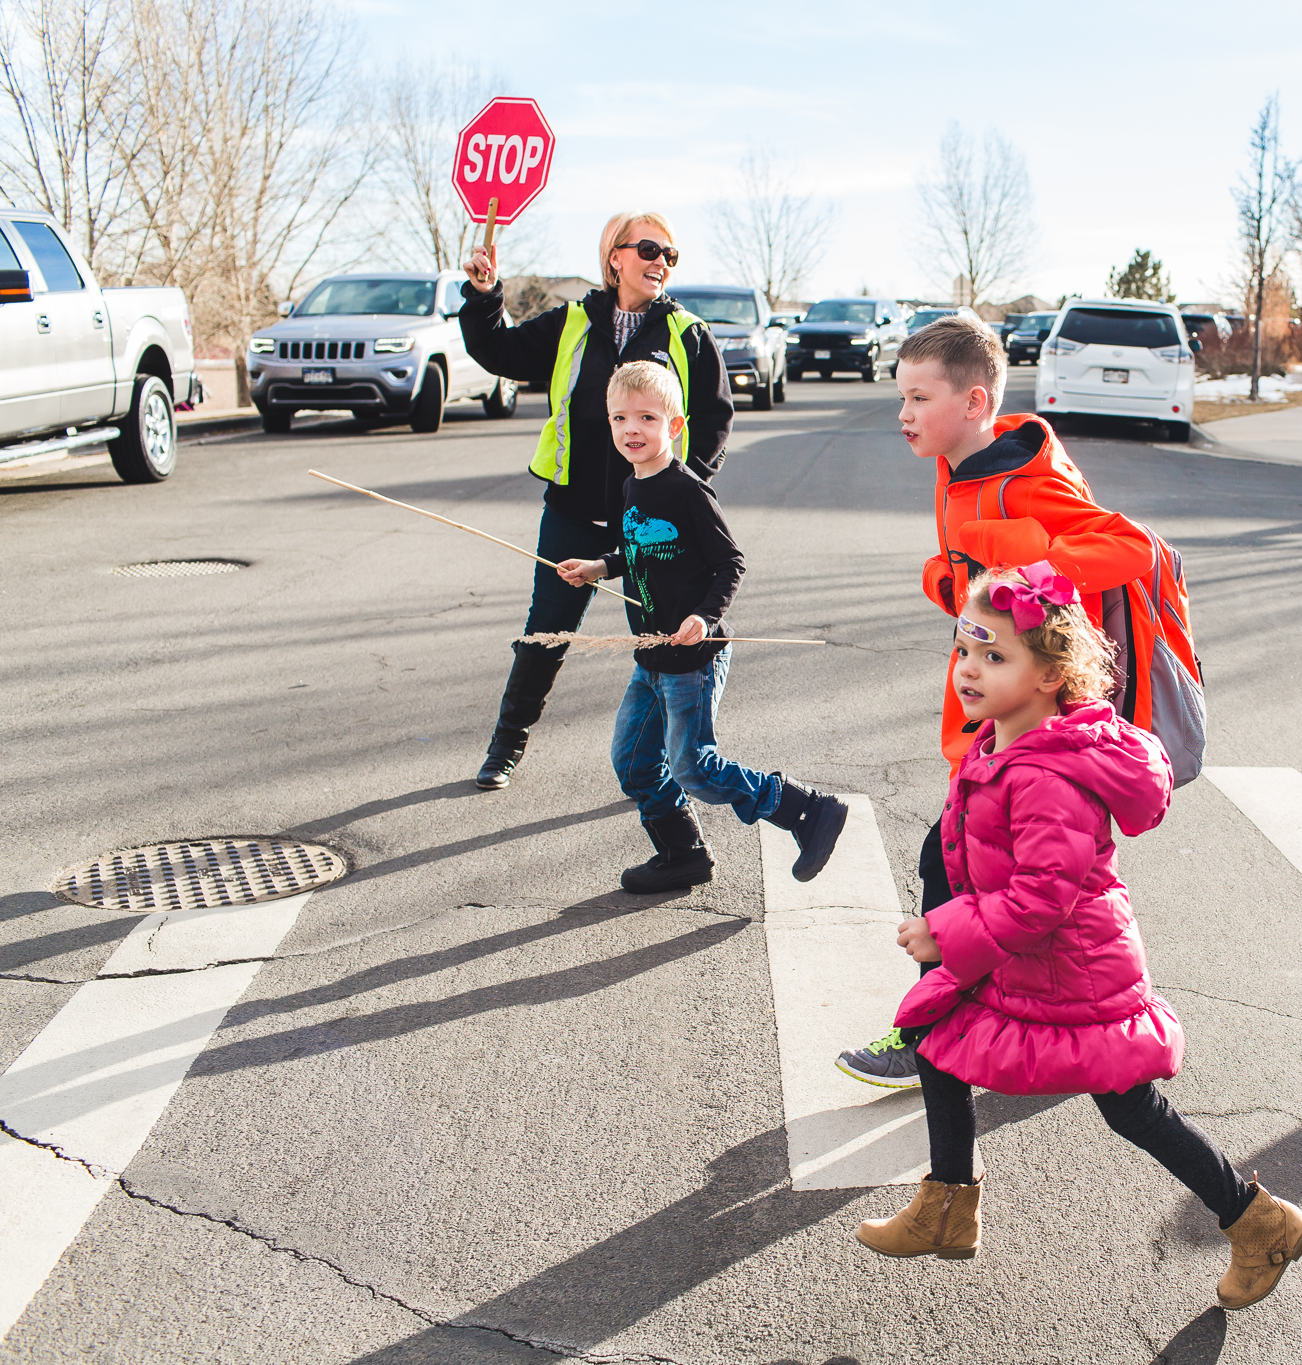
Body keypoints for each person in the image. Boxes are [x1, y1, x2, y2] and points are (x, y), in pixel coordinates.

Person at [852, 564, 1302, 1310]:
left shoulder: (1045, 773)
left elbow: (1043, 898)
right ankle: (948, 1206)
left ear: (1050, 675)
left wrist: (946, 932)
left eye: (994, 655)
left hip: (1070, 967)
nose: (969, 669)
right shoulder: (1004, 739)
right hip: (1026, 957)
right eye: (966, 649)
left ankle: (1259, 1221)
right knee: (936, 1035)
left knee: (1128, 1104)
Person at [833, 315, 1159, 1091]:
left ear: (975, 400)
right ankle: (1082, 1023)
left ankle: (925, 1032)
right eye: (900, 397)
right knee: (1011, 882)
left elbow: (1131, 549)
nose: (903, 414)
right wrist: (952, 581)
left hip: (1036, 723)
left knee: (959, 871)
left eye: (919, 397)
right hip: (991, 717)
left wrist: (1016, 554)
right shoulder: (952, 465)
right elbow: (976, 573)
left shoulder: (1024, 476)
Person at [458, 210, 736, 791]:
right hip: (575, 510)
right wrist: (484, 295)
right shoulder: (574, 322)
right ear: (615, 257)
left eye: (670, 255)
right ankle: (506, 744)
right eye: (649, 250)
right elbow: (501, 352)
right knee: (545, 632)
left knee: (667, 641)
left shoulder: (688, 334)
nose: (661, 262)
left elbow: (714, 417)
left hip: (655, 520)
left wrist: (682, 491)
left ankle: (671, 762)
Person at [553, 362, 845, 893]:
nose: (631, 429)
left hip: (694, 658)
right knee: (635, 764)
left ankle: (804, 809)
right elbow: (638, 546)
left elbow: (730, 562)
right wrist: (599, 567)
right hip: (652, 655)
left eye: (646, 417)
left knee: (694, 768)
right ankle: (683, 853)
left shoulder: (687, 491)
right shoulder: (630, 487)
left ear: (676, 426)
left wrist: (703, 617)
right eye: (620, 418)